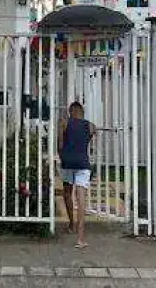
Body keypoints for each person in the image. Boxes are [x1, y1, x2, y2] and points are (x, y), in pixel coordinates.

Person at [58, 101, 96, 249]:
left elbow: (60, 145)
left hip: (67, 162)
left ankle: (71, 224)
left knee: (67, 193)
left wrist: (62, 157)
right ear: (82, 112)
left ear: (70, 111)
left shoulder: (64, 123)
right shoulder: (91, 126)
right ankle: (80, 239)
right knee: (81, 200)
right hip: (83, 163)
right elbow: (89, 143)